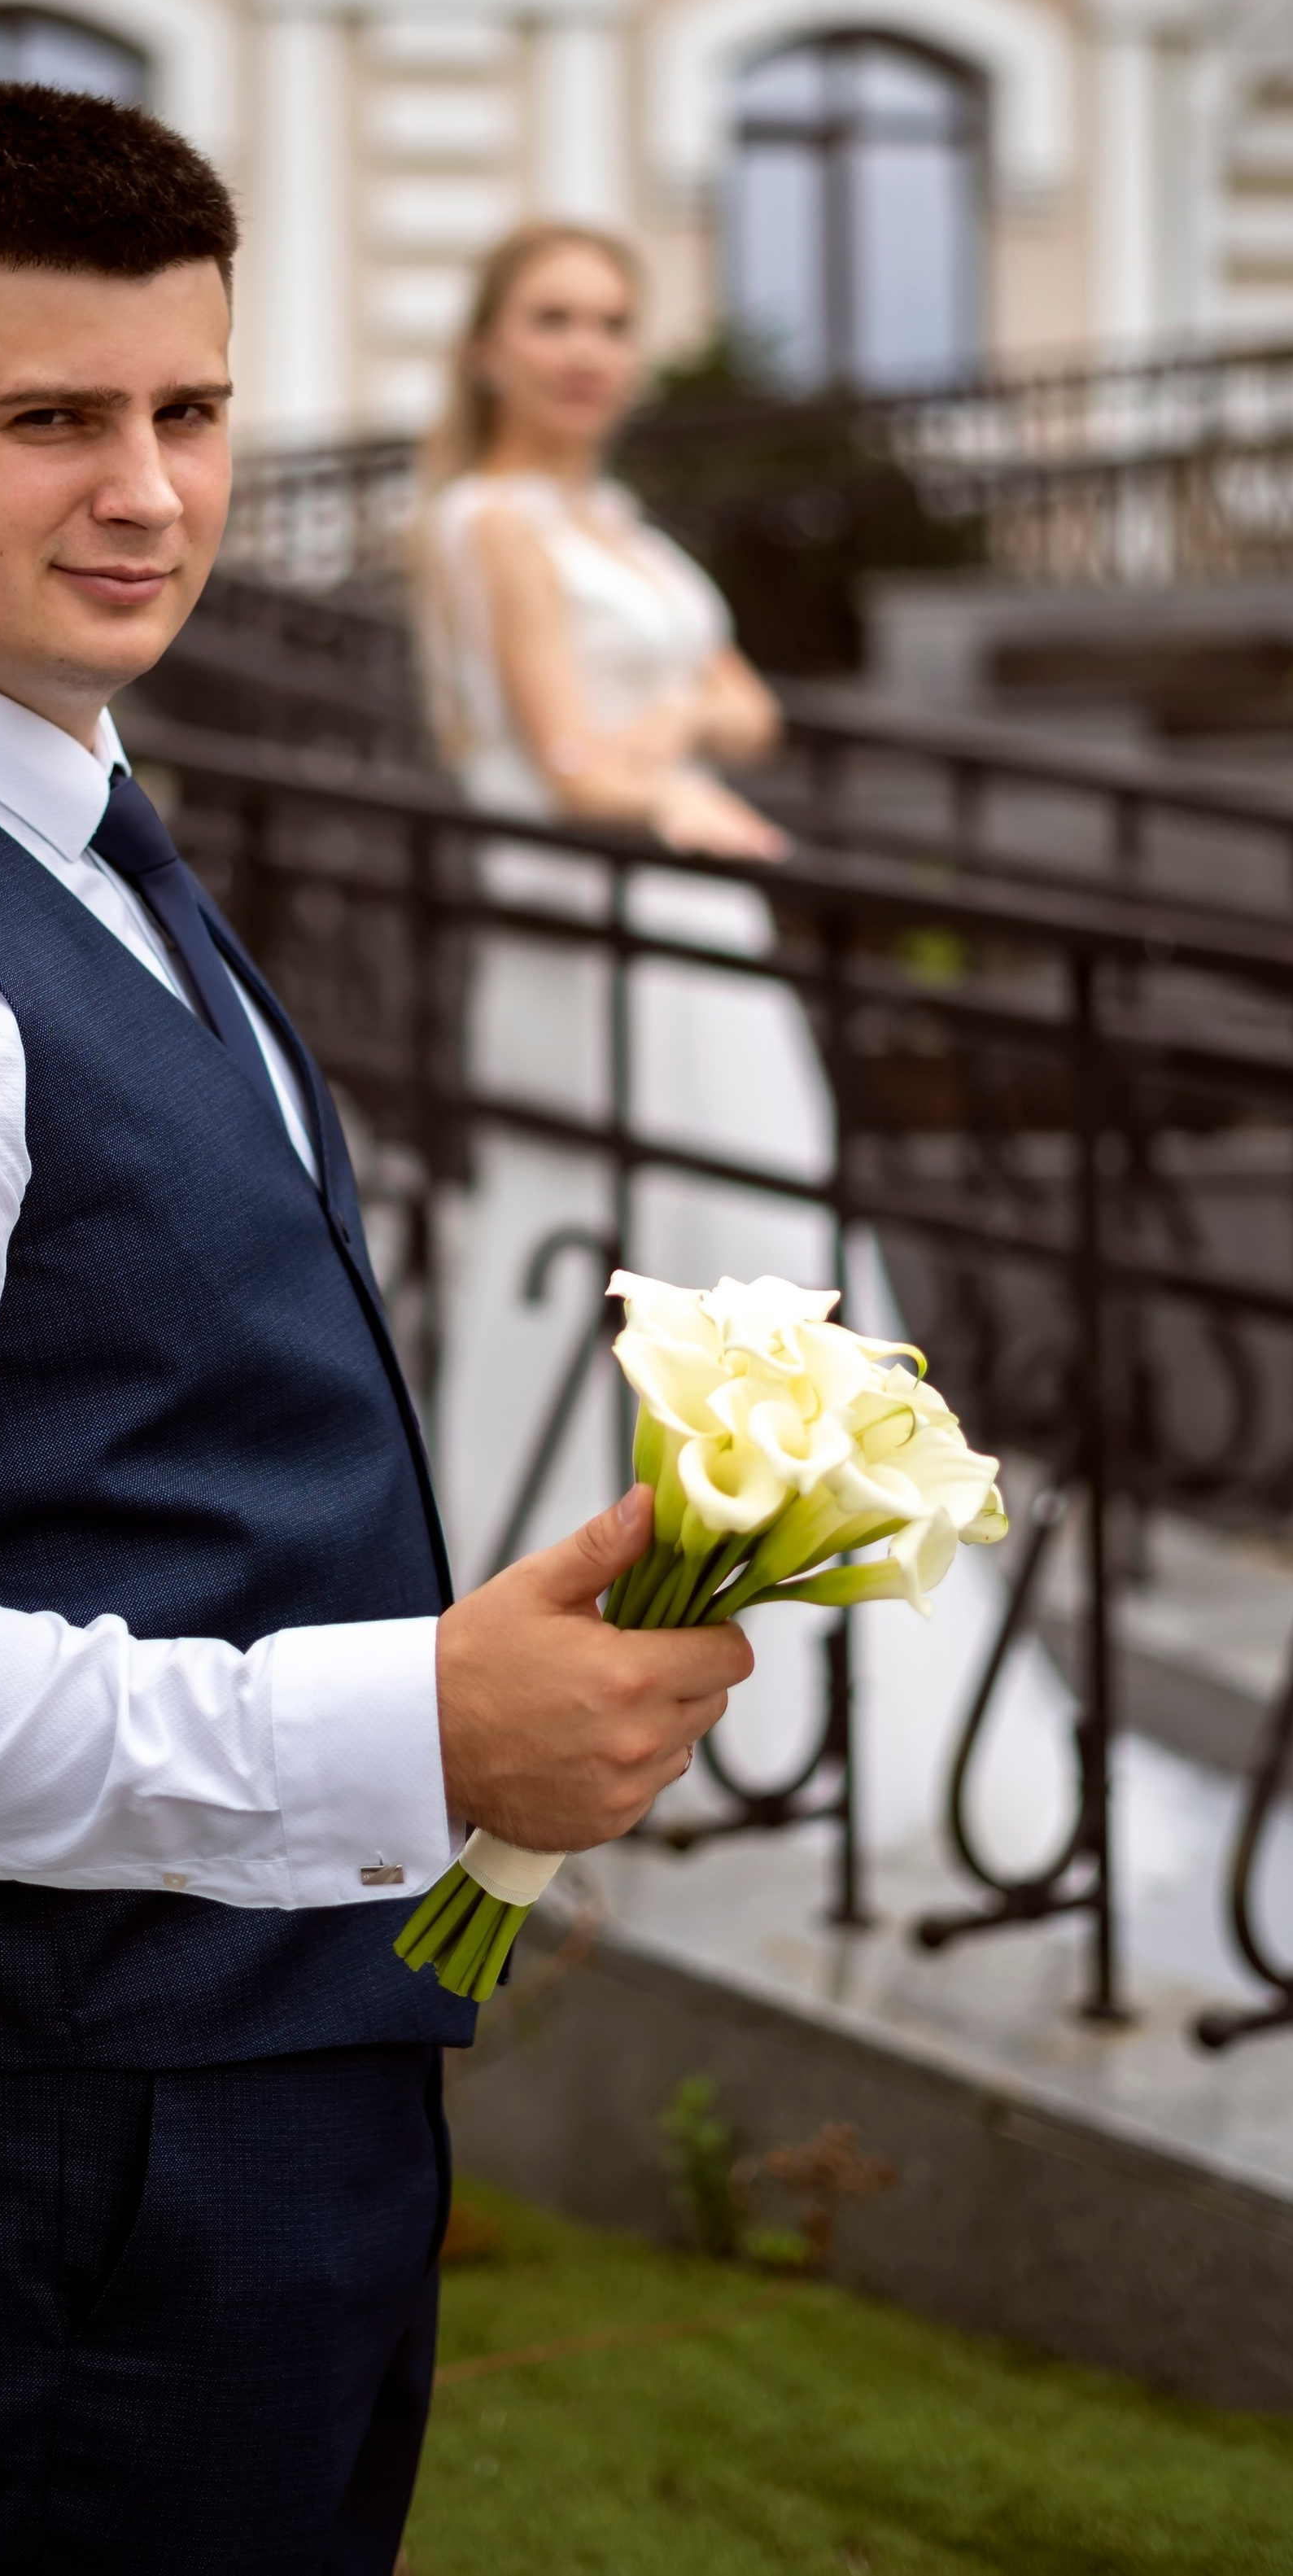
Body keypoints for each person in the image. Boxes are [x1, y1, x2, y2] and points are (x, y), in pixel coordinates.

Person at [0, 90, 753, 2575]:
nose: (149, 492)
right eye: (52, 419)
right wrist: (414, 1721)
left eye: (190, 409)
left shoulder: (60, 810)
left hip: (238, 2100)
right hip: (63, 2147)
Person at [417, 224, 845, 1596]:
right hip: (588, 924)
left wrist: (658, 737)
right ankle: (567, 1591)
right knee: (611, 1255)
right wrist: (664, 762)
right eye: (552, 318)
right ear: (488, 349)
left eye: (610, 322)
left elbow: (751, 710)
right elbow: (568, 766)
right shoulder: (490, 521)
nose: (586, 350)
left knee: (756, 1249)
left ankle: (757, 1602)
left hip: (688, 914)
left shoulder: (622, 528)